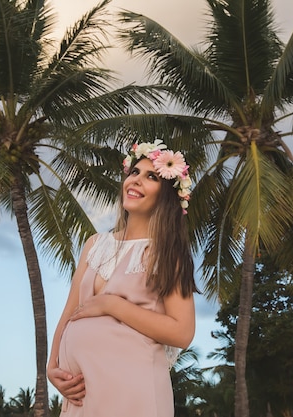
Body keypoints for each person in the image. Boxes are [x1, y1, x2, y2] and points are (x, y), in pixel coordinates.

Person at [47, 139, 198, 417]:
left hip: (133, 393)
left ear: (166, 195)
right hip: (83, 395)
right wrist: (52, 365)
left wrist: (111, 305)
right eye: (134, 173)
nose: (136, 180)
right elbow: (70, 311)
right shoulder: (95, 244)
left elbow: (182, 332)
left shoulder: (166, 252)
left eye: (151, 176)